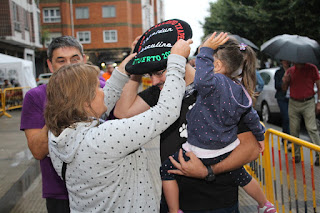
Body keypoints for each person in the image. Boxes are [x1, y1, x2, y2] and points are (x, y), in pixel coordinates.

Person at [114, 36, 263, 212]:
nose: (154, 81)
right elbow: (121, 113)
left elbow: (251, 148)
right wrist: (137, 64)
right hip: (174, 204)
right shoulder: (160, 92)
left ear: (180, 60)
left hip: (216, 203)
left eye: (160, 72)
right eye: (149, 75)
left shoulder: (219, 89)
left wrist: (208, 171)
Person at [45, 38, 192, 212]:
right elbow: (166, 111)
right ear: (85, 102)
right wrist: (176, 62)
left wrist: (126, 67)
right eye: (97, 88)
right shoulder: (103, 137)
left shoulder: (57, 135)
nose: (102, 91)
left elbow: (103, 98)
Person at [160, 32, 276, 213]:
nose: (199, 65)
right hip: (226, 149)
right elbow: (251, 117)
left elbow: (201, 80)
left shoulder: (213, 85)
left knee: (166, 170)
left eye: (203, 61)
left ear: (217, 65)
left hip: (200, 149)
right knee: (241, 175)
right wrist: (260, 136)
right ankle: (264, 204)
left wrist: (205, 50)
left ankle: (175, 211)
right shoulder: (240, 90)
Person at [20, 36, 87, 213]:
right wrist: (60, 109)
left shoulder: (102, 90)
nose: (69, 66)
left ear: (84, 60)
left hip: (104, 188)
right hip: (59, 193)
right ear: (50, 66)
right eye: (61, 61)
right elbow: (37, 151)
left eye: (75, 59)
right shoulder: (35, 97)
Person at [282, 62, 320, 165]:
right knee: (294, 130)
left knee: (311, 128)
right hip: (293, 102)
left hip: (308, 102)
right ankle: (297, 155)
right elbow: (284, 89)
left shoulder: (312, 68)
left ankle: (319, 155)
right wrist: (285, 80)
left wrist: (319, 102)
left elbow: (318, 84)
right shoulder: (290, 71)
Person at [274, 60, 290, 144]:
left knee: (289, 119)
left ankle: (286, 138)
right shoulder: (278, 72)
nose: (286, 62)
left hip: (291, 97)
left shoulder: (292, 70)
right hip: (282, 97)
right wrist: (284, 80)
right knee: (286, 117)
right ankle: (287, 139)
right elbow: (276, 85)